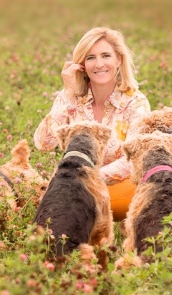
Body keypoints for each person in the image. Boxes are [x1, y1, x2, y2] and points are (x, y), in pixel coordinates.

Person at [34, 27, 151, 221]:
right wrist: (68, 94)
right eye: (90, 58)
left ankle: (78, 210)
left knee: (134, 196)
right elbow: (43, 144)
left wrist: (87, 178)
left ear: (118, 60)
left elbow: (134, 159)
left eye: (106, 56)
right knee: (39, 197)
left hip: (119, 186)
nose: (99, 64)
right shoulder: (73, 98)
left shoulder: (135, 102)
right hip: (76, 184)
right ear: (82, 65)